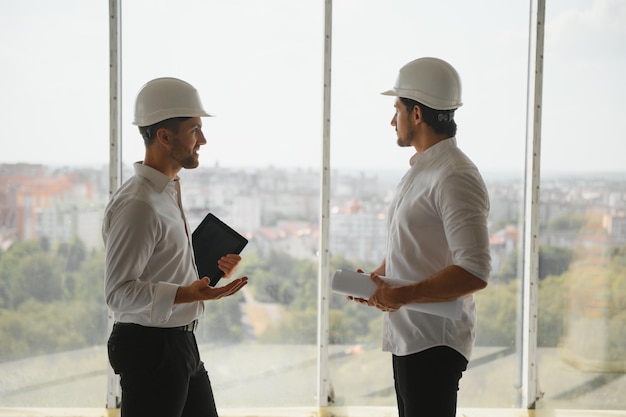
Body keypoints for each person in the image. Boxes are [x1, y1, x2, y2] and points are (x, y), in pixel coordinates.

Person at [349, 57, 491, 417]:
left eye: (396, 109)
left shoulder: (455, 176)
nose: (391, 120)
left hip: (434, 342)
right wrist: (378, 280)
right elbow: (412, 248)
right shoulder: (425, 170)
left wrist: (402, 295)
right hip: (412, 337)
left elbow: (474, 270)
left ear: (416, 115)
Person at [103, 77, 248, 417]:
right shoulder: (138, 204)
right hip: (151, 349)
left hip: (179, 343)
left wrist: (204, 272)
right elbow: (118, 293)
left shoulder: (166, 190)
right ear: (165, 137)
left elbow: (160, 264)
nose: (204, 140)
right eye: (195, 130)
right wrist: (189, 293)